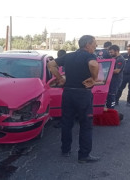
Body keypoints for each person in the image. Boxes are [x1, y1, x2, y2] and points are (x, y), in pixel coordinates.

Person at [47, 35, 100, 163]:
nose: (96, 47)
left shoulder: (69, 56)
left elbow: (51, 64)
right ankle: (83, 155)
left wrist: (59, 78)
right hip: (83, 94)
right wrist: (94, 79)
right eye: (94, 44)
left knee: (66, 122)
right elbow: (93, 65)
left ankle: (65, 150)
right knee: (86, 125)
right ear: (87, 45)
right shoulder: (90, 56)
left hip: (68, 93)